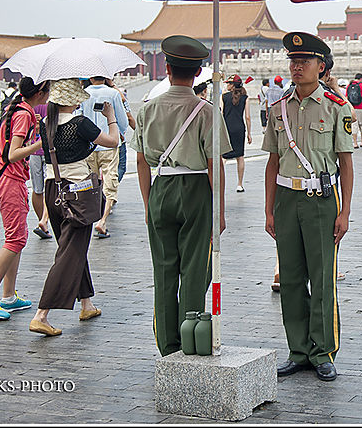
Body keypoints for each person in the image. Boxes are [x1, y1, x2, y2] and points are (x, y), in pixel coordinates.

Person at [263, 32, 353, 382]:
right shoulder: (278, 108)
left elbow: (345, 163)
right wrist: (269, 209)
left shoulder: (336, 107)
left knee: (322, 277)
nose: (296, 66)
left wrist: (344, 212)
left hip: (320, 200)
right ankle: (297, 350)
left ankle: (323, 350)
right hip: (286, 199)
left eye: (304, 61)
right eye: (292, 61)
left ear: (322, 66)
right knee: (291, 277)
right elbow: (272, 161)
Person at [133, 35, 230, 356]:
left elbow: (140, 161)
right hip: (195, 190)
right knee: (194, 268)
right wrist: (220, 211)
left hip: (160, 188)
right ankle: (189, 340)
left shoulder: (147, 109)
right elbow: (215, 164)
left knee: (163, 270)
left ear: (169, 70)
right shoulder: (206, 111)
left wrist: (149, 203)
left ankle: (167, 343)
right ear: (198, 72)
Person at [28, 79, 119, 337]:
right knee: (69, 253)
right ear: (73, 100)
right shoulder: (81, 124)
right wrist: (110, 117)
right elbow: (113, 141)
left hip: (52, 191)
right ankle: (42, 314)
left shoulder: (46, 125)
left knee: (71, 247)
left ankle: (86, 303)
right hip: (77, 193)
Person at [0, 77, 50, 321]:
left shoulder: (17, 108)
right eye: (47, 91)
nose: (48, 95)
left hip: (9, 179)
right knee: (15, 239)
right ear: (39, 93)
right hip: (9, 180)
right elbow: (13, 154)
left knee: (18, 237)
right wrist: (39, 143)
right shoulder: (23, 114)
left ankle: (8, 296)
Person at [81, 75, 128, 238]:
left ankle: (88, 218)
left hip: (88, 145)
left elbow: (78, 118)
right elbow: (122, 120)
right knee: (110, 182)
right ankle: (102, 220)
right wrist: (120, 133)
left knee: (90, 182)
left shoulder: (83, 94)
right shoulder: (113, 94)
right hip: (109, 143)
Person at [222, 74, 252, 192]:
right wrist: (249, 133)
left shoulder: (224, 97)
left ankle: (220, 182)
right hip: (239, 128)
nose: (227, 85)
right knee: (240, 156)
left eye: (228, 83)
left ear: (232, 85)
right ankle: (239, 184)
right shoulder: (245, 98)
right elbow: (248, 117)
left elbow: (221, 113)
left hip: (227, 128)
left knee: (224, 157)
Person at [29, 102, 52, 240]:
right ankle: (44, 220)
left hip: (33, 150)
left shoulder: (30, 103)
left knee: (37, 189)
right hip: (50, 150)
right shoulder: (54, 102)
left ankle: (43, 222)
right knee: (50, 187)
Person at [346, 73, 362, 149]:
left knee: (354, 125)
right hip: (361, 107)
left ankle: (355, 143)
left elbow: (346, 97)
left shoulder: (349, 85)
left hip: (352, 108)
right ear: (361, 79)